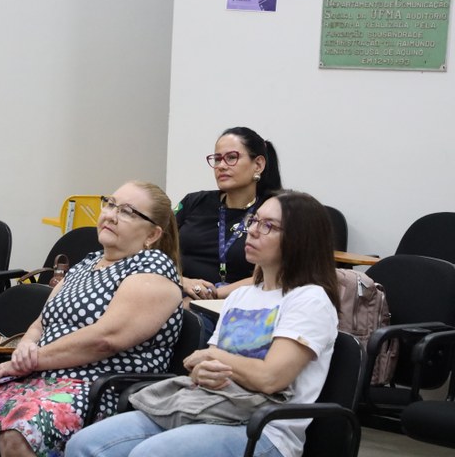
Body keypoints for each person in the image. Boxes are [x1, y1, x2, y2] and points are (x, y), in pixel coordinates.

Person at [66, 191, 340, 457]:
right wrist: (203, 372)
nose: (253, 231)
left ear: (300, 239)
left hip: (265, 431)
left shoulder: (310, 300)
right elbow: (202, 369)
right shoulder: (242, 296)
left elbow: (270, 378)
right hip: (208, 407)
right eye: (254, 220)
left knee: (150, 453)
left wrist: (213, 358)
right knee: (84, 443)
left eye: (269, 226)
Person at [0, 181, 185, 457]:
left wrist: (28, 361)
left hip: (99, 389)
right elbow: (42, 322)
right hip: (41, 377)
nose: (111, 215)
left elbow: (104, 339)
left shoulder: (153, 269)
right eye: (110, 204)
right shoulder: (87, 263)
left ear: (152, 234)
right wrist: (26, 346)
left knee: (19, 433)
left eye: (127, 212)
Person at [177, 126, 282, 303]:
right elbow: (155, 249)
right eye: (217, 159)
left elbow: (273, 274)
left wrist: (215, 295)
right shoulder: (193, 202)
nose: (221, 166)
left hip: (242, 303)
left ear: (258, 165)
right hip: (181, 294)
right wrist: (182, 281)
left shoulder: (273, 210)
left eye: (231, 158)